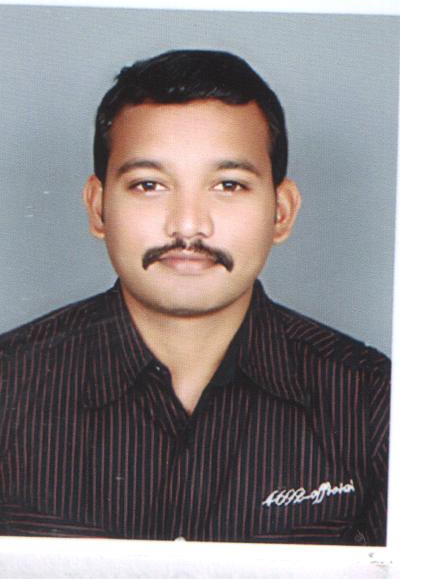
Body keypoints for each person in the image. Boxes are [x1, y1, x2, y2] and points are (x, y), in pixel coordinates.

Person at [0, 50, 390, 544]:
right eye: (149, 185)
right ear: (98, 208)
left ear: (282, 212)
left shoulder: (374, 403)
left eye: (228, 185)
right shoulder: (9, 387)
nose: (187, 225)